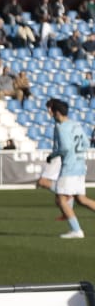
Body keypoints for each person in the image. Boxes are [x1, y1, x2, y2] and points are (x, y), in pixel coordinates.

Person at [47, 98, 95, 239]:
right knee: (81, 199)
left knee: (61, 199)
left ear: (57, 112)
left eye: (51, 110)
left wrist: (53, 155)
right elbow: (86, 143)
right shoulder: (76, 124)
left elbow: (65, 148)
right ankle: (76, 230)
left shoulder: (61, 127)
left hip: (70, 167)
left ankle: (76, 230)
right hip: (80, 166)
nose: (49, 113)